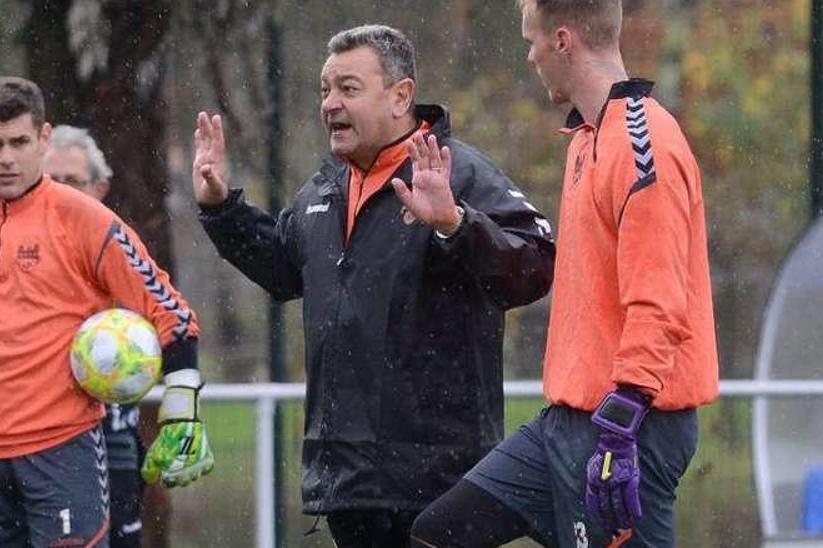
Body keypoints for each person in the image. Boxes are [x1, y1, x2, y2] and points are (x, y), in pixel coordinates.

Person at [192, 25, 556, 547]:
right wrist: (221, 207)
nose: (330, 104)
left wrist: (456, 223)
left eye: (348, 88)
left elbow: (537, 266)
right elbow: (283, 269)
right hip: (349, 484)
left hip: (439, 482)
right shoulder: (323, 188)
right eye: (324, 90)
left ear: (400, 96)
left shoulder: (459, 173)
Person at [409, 1, 719, 546]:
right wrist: (455, 223)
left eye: (531, 42)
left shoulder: (645, 146)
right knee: (440, 534)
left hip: (629, 424)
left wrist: (620, 427)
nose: (529, 57)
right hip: (566, 421)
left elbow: (660, 301)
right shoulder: (585, 138)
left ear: (562, 40)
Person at [0, 77, 213, 548]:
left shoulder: (86, 220)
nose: (6, 157)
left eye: (19, 142)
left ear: (43, 139)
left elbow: (169, 310)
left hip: (63, 450)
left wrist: (182, 410)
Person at [42, 124, 145, 548]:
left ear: (100, 188)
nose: (61, 192)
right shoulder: (16, 251)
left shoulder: (119, 247)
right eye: (51, 181)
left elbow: (163, 320)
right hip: (42, 437)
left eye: (73, 182)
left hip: (112, 434)